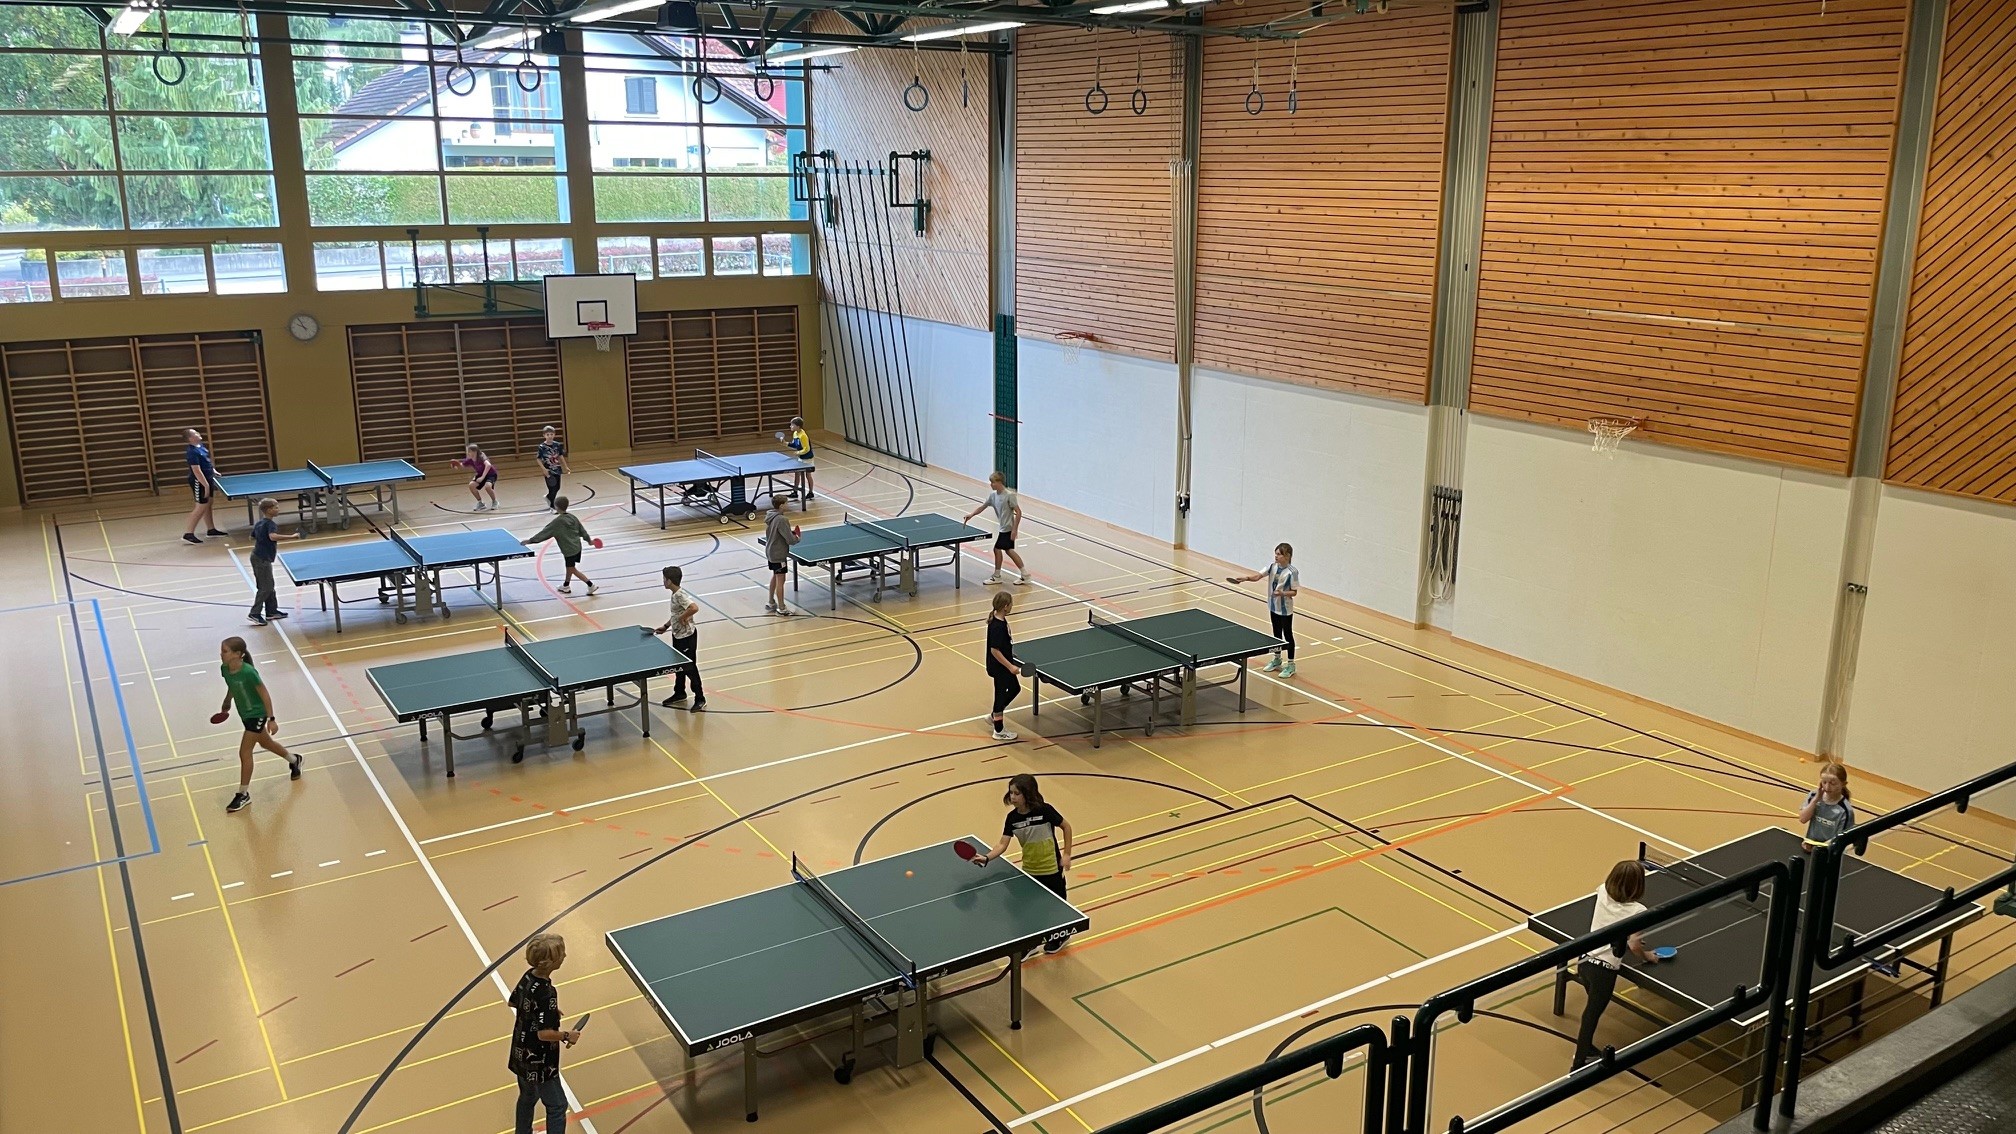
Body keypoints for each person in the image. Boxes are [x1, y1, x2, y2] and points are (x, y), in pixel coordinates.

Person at [1571, 859, 1667, 1070]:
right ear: (1638, 886)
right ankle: (1579, 1061)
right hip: (1603, 973)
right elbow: (1634, 945)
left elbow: (1613, 921)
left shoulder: (1602, 891)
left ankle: (1586, 1049)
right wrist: (1647, 956)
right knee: (1591, 1015)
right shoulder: (1638, 911)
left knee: (1591, 1011)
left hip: (1585, 962)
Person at [973, 774, 1074, 953]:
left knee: (1057, 907)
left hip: (1051, 869)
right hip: (1030, 870)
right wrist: (987, 858)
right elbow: (1002, 844)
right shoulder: (1012, 818)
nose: (1012, 797)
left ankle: (1061, 936)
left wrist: (1066, 854)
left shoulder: (1045, 811)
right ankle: (1031, 944)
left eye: (1017, 793)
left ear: (1028, 794)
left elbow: (1066, 827)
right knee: (1030, 909)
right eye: (1011, 792)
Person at [217, 636, 299, 814]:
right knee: (266, 743)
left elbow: (264, 694)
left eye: (224, 651)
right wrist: (227, 700)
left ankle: (243, 794)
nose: (221, 654)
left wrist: (271, 719)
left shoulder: (249, 672)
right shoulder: (225, 669)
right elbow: (232, 685)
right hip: (244, 714)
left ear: (237, 654)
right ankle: (294, 760)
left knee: (244, 752)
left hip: (257, 714)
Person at [508, 933, 580, 1134]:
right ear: (551, 963)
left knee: (528, 1097)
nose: (564, 956)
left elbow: (514, 1002)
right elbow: (544, 1034)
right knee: (557, 1106)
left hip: (521, 1052)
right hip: (540, 1061)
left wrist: (545, 1012)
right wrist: (567, 1035)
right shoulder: (547, 993)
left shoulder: (528, 976)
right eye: (561, 954)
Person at [1227, 542, 1300, 678]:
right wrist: (1246, 578)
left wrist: (1282, 593)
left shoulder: (1292, 572)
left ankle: (1291, 665)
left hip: (1285, 609)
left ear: (1287, 556)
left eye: (1279, 554)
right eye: (1275, 553)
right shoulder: (1272, 566)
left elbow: (1294, 592)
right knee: (1276, 634)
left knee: (1288, 635)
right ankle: (1277, 659)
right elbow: (1258, 576)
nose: (1276, 556)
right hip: (1273, 606)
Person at [652, 565, 706, 712]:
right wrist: (666, 626)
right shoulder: (675, 594)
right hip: (677, 635)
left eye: (664, 579)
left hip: (687, 637)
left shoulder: (680, 595)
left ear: (669, 581)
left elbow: (694, 608)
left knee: (690, 668)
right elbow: (676, 614)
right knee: (679, 666)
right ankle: (680, 692)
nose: (663, 581)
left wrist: (683, 617)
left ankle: (700, 698)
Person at [962, 472, 1030, 586]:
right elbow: (982, 507)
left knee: (997, 549)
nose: (991, 484)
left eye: (993, 482)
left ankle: (997, 576)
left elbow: (1018, 512)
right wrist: (971, 515)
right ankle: (1024, 574)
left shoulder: (1009, 495)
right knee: (1008, 550)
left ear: (999, 482)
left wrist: (1014, 530)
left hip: (1008, 528)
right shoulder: (993, 496)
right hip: (1003, 527)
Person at [526, 496, 595, 595]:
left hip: (569, 550)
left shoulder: (557, 522)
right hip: (577, 547)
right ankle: (566, 586)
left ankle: (590, 585)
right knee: (569, 567)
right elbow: (582, 530)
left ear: (556, 507)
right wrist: (589, 540)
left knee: (572, 569)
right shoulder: (572, 517)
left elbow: (544, 533)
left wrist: (530, 541)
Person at [246, 497, 299, 626]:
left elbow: (251, 537)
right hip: (262, 559)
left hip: (258, 556)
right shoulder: (270, 524)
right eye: (276, 507)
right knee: (265, 588)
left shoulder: (260, 523)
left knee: (269, 585)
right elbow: (272, 536)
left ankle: (271, 611)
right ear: (269, 510)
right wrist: (291, 537)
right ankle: (254, 613)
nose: (278, 509)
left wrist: (262, 540)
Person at [983, 590, 1022, 742]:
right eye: (1011, 604)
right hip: (1000, 666)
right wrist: (1010, 666)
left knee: (1014, 688)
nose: (1012, 606)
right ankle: (998, 730)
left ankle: (994, 716)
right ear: (1006, 606)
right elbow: (994, 650)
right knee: (1000, 695)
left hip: (1002, 664)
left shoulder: (998, 618)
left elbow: (1003, 644)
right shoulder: (997, 626)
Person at [182, 428, 228, 544]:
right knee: (201, 506)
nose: (198, 434)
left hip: (208, 478)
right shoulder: (192, 452)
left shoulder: (201, 446)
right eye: (195, 433)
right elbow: (196, 470)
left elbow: (207, 461)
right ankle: (188, 534)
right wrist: (205, 485)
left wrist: (214, 471)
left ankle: (211, 530)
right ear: (190, 438)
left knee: (208, 503)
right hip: (199, 481)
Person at [1798, 761, 1855, 849]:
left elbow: (1840, 840)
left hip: (1830, 851)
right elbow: (1803, 819)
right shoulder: (1813, 795)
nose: (1827, 787)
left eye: (1833, 783)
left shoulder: (1846, 811)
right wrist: (1815, 800)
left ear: (1843, 784)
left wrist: (1819, 848)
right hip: (1810, 846)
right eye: (1824, 782)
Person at [762, 495, 799, 616]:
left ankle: (771, 602)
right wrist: (797, 537)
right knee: (781, 580)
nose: (788, 505)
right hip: (778, 554)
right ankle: (782, 608)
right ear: (781, 505)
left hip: (770, 551)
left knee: (775, 575)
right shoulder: (782, 519)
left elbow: (780, 532)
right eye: (787, 503)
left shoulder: (771, 515)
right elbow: (790, 540)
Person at [451, 443, 501, 511]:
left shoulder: (481, 456)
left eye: (469, 451)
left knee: (488, 487)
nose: (468, 453)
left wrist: (482, 477)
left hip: (491, 474)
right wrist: (455, 465)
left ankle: (495, 501)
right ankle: (480, 503)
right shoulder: (470, 459)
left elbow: (488, 465)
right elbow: (461, 465)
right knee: (471, 485)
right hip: (480, 474)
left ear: (474, 452)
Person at [535, 426, 570, 512]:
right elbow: (538, 459)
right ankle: (552, 507)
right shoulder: (542, 447)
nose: (550, 436)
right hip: (548, 471)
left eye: (551, 434)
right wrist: (544, 469)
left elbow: (560, 456)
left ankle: (548, 497)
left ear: (554, 434)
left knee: (557, 487)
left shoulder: (557, 445)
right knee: (552, 488)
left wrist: (565, 466)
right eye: (548, 434)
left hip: (557, 469)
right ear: (544, 435)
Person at [782, 416, 815, 500]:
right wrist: (786, 443)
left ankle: (811, 492)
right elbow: (795, 445)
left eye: (792, 425)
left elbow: (806, 449)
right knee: (797, 474)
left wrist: (798, 452)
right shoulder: (795, 433)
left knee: (808, 475)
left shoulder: (803, 436)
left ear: (798, 426)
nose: (790, 426)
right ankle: (795, 492)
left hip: (808, 458)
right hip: (801, 458)